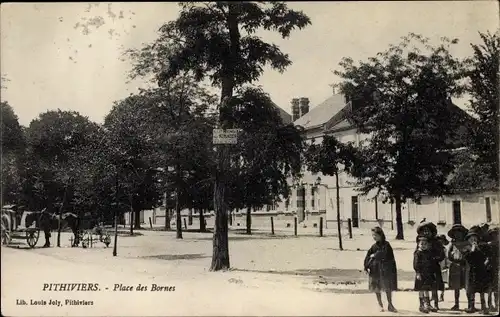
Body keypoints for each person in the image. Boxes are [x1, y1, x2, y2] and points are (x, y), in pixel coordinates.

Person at [363, 226, 398, 313]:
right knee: (377, 287)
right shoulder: (374, 246)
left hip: (385, 269)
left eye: (375, 235)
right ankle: (380, 304)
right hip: (375, 270)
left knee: (387, 287)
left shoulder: (386, 244)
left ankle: (390, 304)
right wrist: (366, 266)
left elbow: (383, 254)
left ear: (380, 235)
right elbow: (368, 256)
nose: (374, 237)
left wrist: (374, 255)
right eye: (373, 235)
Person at [416, 220, 444, 311]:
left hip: (434, 267)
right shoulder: (421, 242)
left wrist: (434, 258)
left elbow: (442, 255)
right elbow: (417, 256)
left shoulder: (436, 242)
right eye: (424, 231)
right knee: (425, 286)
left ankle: (436, 303)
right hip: (424, 269)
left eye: (428, 230)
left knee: (434, 286)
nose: (426, 232)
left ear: (432, 232)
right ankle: (426, 304)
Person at [463, 225, 490, 314]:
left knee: (481, 289)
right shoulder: (466, 248)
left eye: (475, 238)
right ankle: (471, 306)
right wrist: (472, 250)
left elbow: (483, 257)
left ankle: (484, 307)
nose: (473, 240)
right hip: (471, 271)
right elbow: (468, 258)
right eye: (471, 239)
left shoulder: (481, 247)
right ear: (468, 240)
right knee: (471, 289)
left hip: (480, 271)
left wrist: (477, 249)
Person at [447, 224, 469, 310]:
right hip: (455, 266)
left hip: (464, 266)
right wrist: (452, 257)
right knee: (456, 287)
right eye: (455, 233)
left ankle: (470, 304)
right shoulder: (452, 244)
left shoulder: (467, 244)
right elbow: (448, 255)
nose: (458, 235)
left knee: (467, 286)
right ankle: (456, 304)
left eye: (459, 233)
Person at [414, 235, 436, 313]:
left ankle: (428, 304)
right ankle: (421, 305)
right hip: (420, 274)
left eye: (425, 244)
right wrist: (418, 273)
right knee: (421, 289)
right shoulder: (417, 253)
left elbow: (431, 263)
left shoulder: (428, 253)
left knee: (426, 289)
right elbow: (416, 264)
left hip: (427, 274)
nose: (423, 246)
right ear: (418, 244)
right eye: (421, 244)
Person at [486, 227, 499, 312]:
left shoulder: (490, 244)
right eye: (493, 234)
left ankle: (495, 305)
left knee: (495, 288)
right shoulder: (489, 244)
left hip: (495, 267)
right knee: (491, 288)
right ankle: (491, 305)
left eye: (496, 234)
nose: (495, 236)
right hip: (491, 267)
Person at [437, 234, 450, 302]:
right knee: (436, 282)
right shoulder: (435, 249)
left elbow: (447, 258)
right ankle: (435, 295)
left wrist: (447, 265)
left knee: (442, 283)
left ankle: (441, 295)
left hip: (443, 266)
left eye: (441, 241)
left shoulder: (445, 249)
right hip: (436, 267)